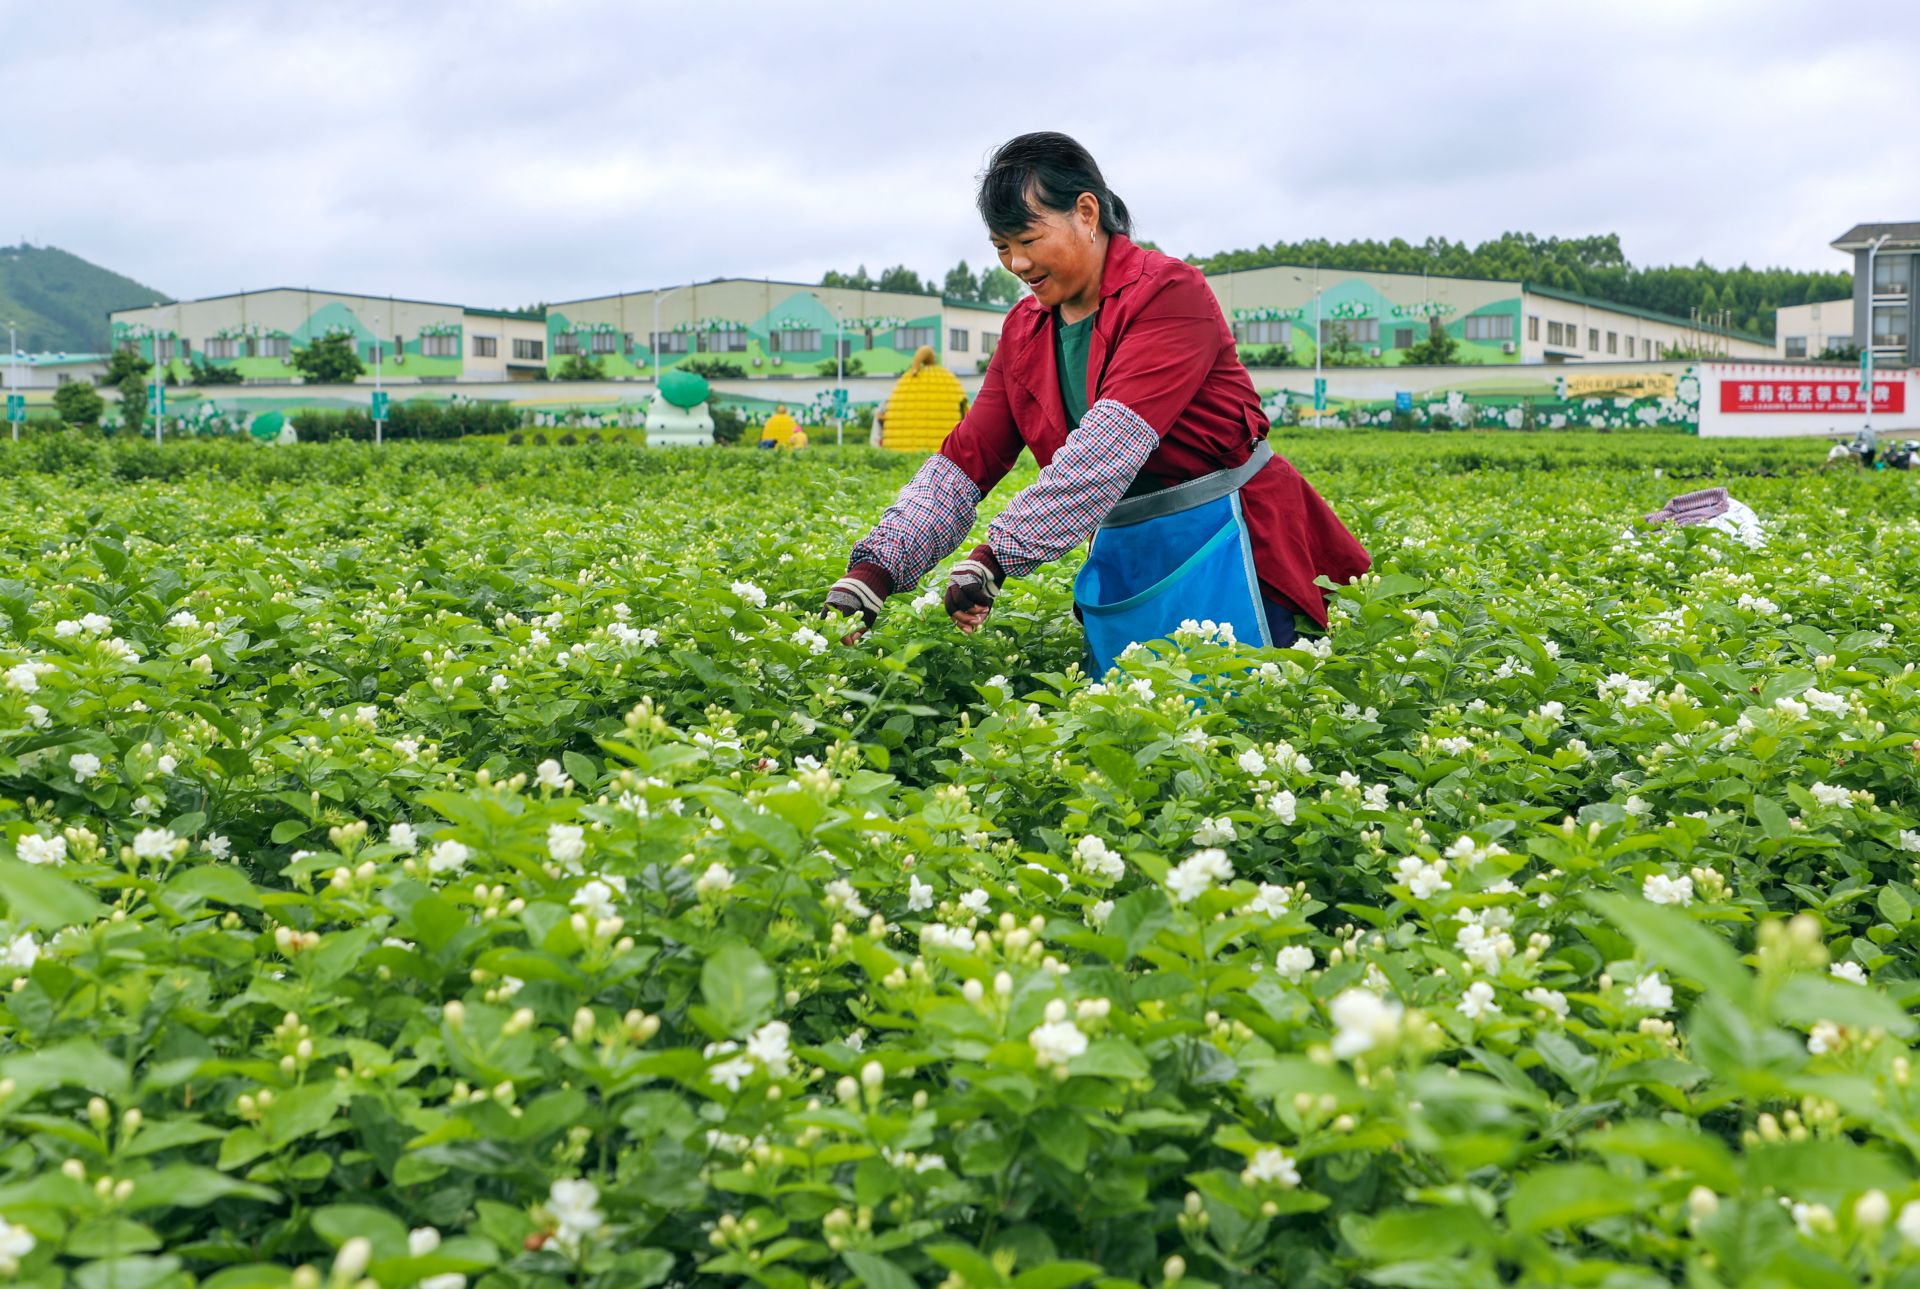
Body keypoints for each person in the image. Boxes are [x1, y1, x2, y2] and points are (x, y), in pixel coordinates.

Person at [822, 131, 1369, 671]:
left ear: (1086, 212)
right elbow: (966, 460)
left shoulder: (1169, 293)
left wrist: (994, 557)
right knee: (1133, 734)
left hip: (1230, 542)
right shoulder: (1023, 330)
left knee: (1242, 721)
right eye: (1001, 248)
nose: (1015, 263)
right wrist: (876, 571)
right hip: (1127, 551)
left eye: (1027, 240)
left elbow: (1109, 446)